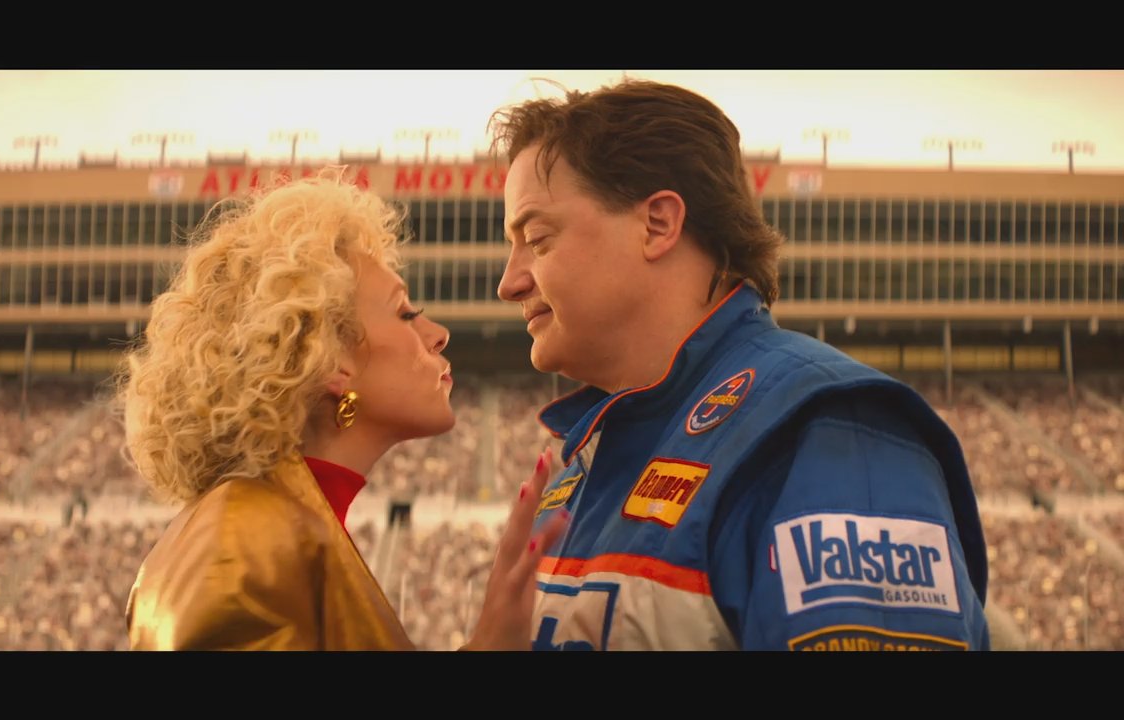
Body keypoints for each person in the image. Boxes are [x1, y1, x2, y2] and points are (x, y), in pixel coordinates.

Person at [489, 79, 989, 651]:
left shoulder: (826, 432)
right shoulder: (588, 459)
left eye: (537, 239)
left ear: (658, 224)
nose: (508, 283)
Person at [119, 169, 568, 650]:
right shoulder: (244, 545)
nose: (438, 335)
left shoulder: (273, 524)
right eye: (405, 313)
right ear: (330, 360)